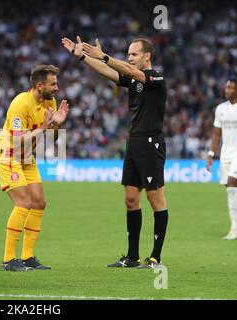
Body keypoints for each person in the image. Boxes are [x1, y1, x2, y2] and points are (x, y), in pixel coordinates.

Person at [62, 36, 168, 268]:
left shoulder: (156, 77)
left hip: (151, 142)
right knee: (131, 199)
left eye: (134, 54)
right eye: (128, 54)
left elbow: (126, 69)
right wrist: (82, 56)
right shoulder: (132, 80)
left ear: (147, 56)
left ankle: (155, 258)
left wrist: (106, 56)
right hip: (134, 142)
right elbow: (106, 71)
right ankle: (132, 257)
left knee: (154, 198)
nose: (130, 57)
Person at [0, 64, 69, 271]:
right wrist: (44, 127)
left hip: (26, 157)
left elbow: (51, 139)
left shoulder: (49, 101)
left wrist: (57, 124)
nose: (57, 88)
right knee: (23, 203)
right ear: (39, 85)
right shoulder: (20, 103)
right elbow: (17, 142)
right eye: (53, 84)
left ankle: (27, 257)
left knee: (39, 202)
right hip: (8, 154)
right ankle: (8, 260)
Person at [206, 78, 237, 240]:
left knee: (233, 182)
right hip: (226, 153)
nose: (227, 90)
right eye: (226, 87)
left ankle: (234, 228)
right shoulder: (220, 109)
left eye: (231, 87)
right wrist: (211, 153)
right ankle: (235, 224)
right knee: (230, 188)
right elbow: (217, 133)